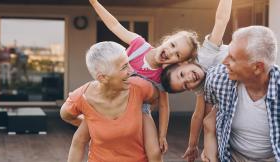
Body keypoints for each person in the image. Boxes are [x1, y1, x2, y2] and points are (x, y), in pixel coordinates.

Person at [69, 0, 201, 161]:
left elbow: (164, 106)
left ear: (178, 63)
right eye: (172, 45)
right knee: (80, 137)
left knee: (154, 152)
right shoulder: (139, 45)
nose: (171, 52)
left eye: (177, 55)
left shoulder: (161, 76)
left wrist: (162, 135)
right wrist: (95, 3)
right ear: (167, 39)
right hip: (109, 99)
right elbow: (114, 25)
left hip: (140, 109)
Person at [60, 41, 159, 162]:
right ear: (103, 77)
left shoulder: (141, 87)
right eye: (124, 67)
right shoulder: (82, 98)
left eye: (128, 63)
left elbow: (155, 99)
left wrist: (143, 116)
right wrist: (88, 124)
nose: (131, 70)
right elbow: (66, 115)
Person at [160, 0, 232, 161]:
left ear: (183, 63)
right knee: (209, 119)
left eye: (182, 75)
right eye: (186, 85)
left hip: (248, 64)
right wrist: (192, 145)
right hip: (239, 91)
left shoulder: (204, 56)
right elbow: (198, 114)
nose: (189, 79)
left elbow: (221, 20)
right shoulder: (200, 85)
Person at [201, 25, 279, 162]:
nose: (225, 62)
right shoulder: (217, 79)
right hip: (232, 157)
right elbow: (209, 120)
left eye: (233, 58)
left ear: (257, 67)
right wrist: (210, 150)